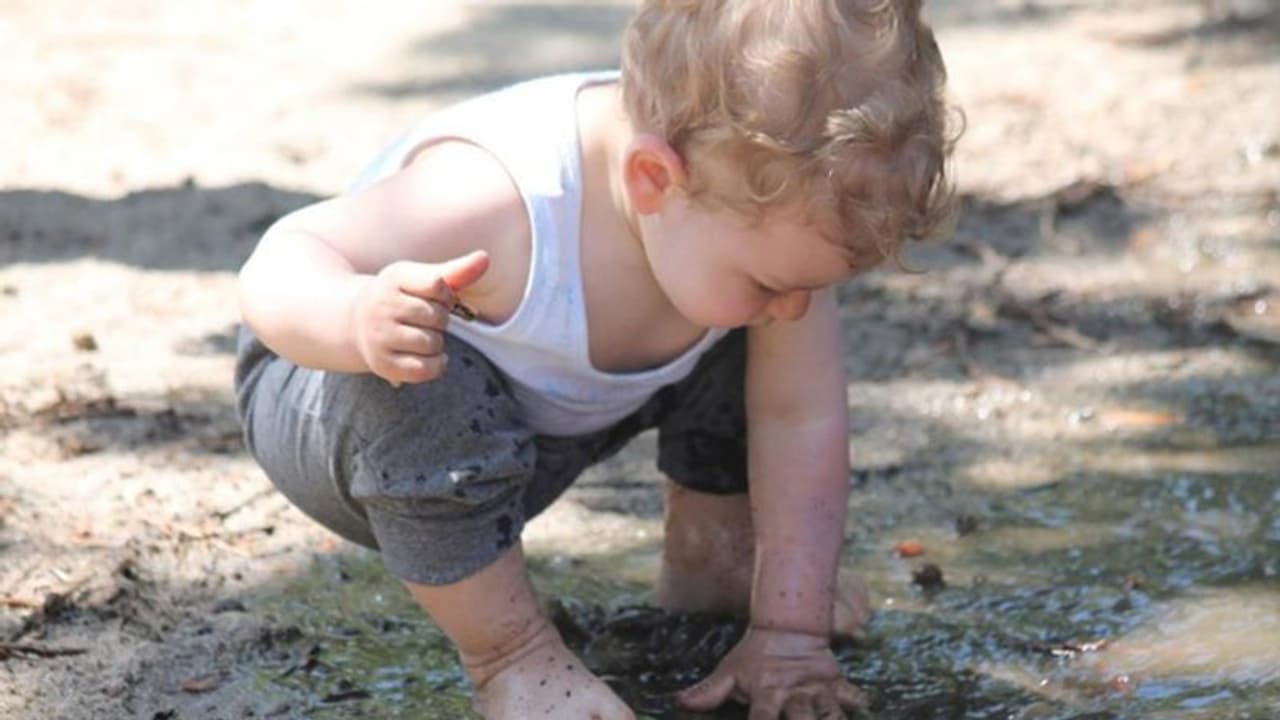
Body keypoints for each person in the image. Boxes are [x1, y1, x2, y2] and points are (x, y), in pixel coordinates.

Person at [235, 0, 956, 717]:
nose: (795, 307)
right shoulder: (498, 199)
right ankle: (513, 657)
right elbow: (283, 261)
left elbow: (800, 418)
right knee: (422, 385)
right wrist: (356, 319)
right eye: (774, 280)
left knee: (752, 330)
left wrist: (790, 634)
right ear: (652, 178)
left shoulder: (732, 202)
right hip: (339, 406)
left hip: (540, 422)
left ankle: (715, 552)